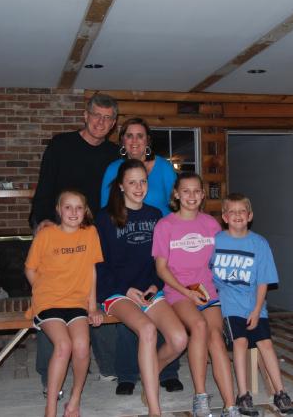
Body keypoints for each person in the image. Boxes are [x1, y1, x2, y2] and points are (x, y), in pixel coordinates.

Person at [29, 92, 119, 396]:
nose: (100, 122)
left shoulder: (114, 154)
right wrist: (41, 221)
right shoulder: (61, 145)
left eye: (107, 118)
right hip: (57, 231)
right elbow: (44, 186)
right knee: (53, 300)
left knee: (99, 295)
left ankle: (107, 364)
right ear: (85, 115)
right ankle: (48, 376)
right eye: (96, 115)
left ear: (113, 123)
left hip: (96, 235)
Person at [95, 159, 188, 416]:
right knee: (147, 329)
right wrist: (125, 289)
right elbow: (99, 265)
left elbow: (161, 261)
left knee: (179, 339)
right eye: (132, 182)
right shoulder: (104, 218)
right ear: (121, 186)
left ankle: (150, 372)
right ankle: (154, 409)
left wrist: (155, 284)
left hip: (148, 289)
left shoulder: (154, 215)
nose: (139, 187)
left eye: (143, 181)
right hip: (117, 291)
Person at [152, 172, 240, 417]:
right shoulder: (165, 225)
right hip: (178, 291)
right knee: (199, 326)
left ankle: (230, 405)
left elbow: (221, 261)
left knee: (216, 338)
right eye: (186, 191)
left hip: (208, 290)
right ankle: (200, 397)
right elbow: (161, 269)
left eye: (196, 191)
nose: (191, 196)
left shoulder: (211, 224)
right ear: (176, 195)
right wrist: (186, 293)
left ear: (202, 195)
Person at [211, 193, 293, 415]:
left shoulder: (259, 243)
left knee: (265, 344)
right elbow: (203, 270)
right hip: (229, 304)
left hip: (254, 304)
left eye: (242, 211)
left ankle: (280, 393)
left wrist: (257, 310)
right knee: (240, 342)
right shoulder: (216, 241)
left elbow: (263, 281)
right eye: (232, 211)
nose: (237, 215)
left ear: (250, 216)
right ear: (224, 217)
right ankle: (243, 395)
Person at [24, 190, 104, 417]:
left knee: (82, 346)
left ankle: (75, 400)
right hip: (48, 302)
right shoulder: (46, 235)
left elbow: (91, 271)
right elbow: (30, 269)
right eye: (68, 207)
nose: (73, 212)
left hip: (76, 302)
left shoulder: (90, 233)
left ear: (85, 211)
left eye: (79, 208)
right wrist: (42, 290)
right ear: (59, 210)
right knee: (63, 345)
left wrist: (92, 306)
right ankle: (50, 408)